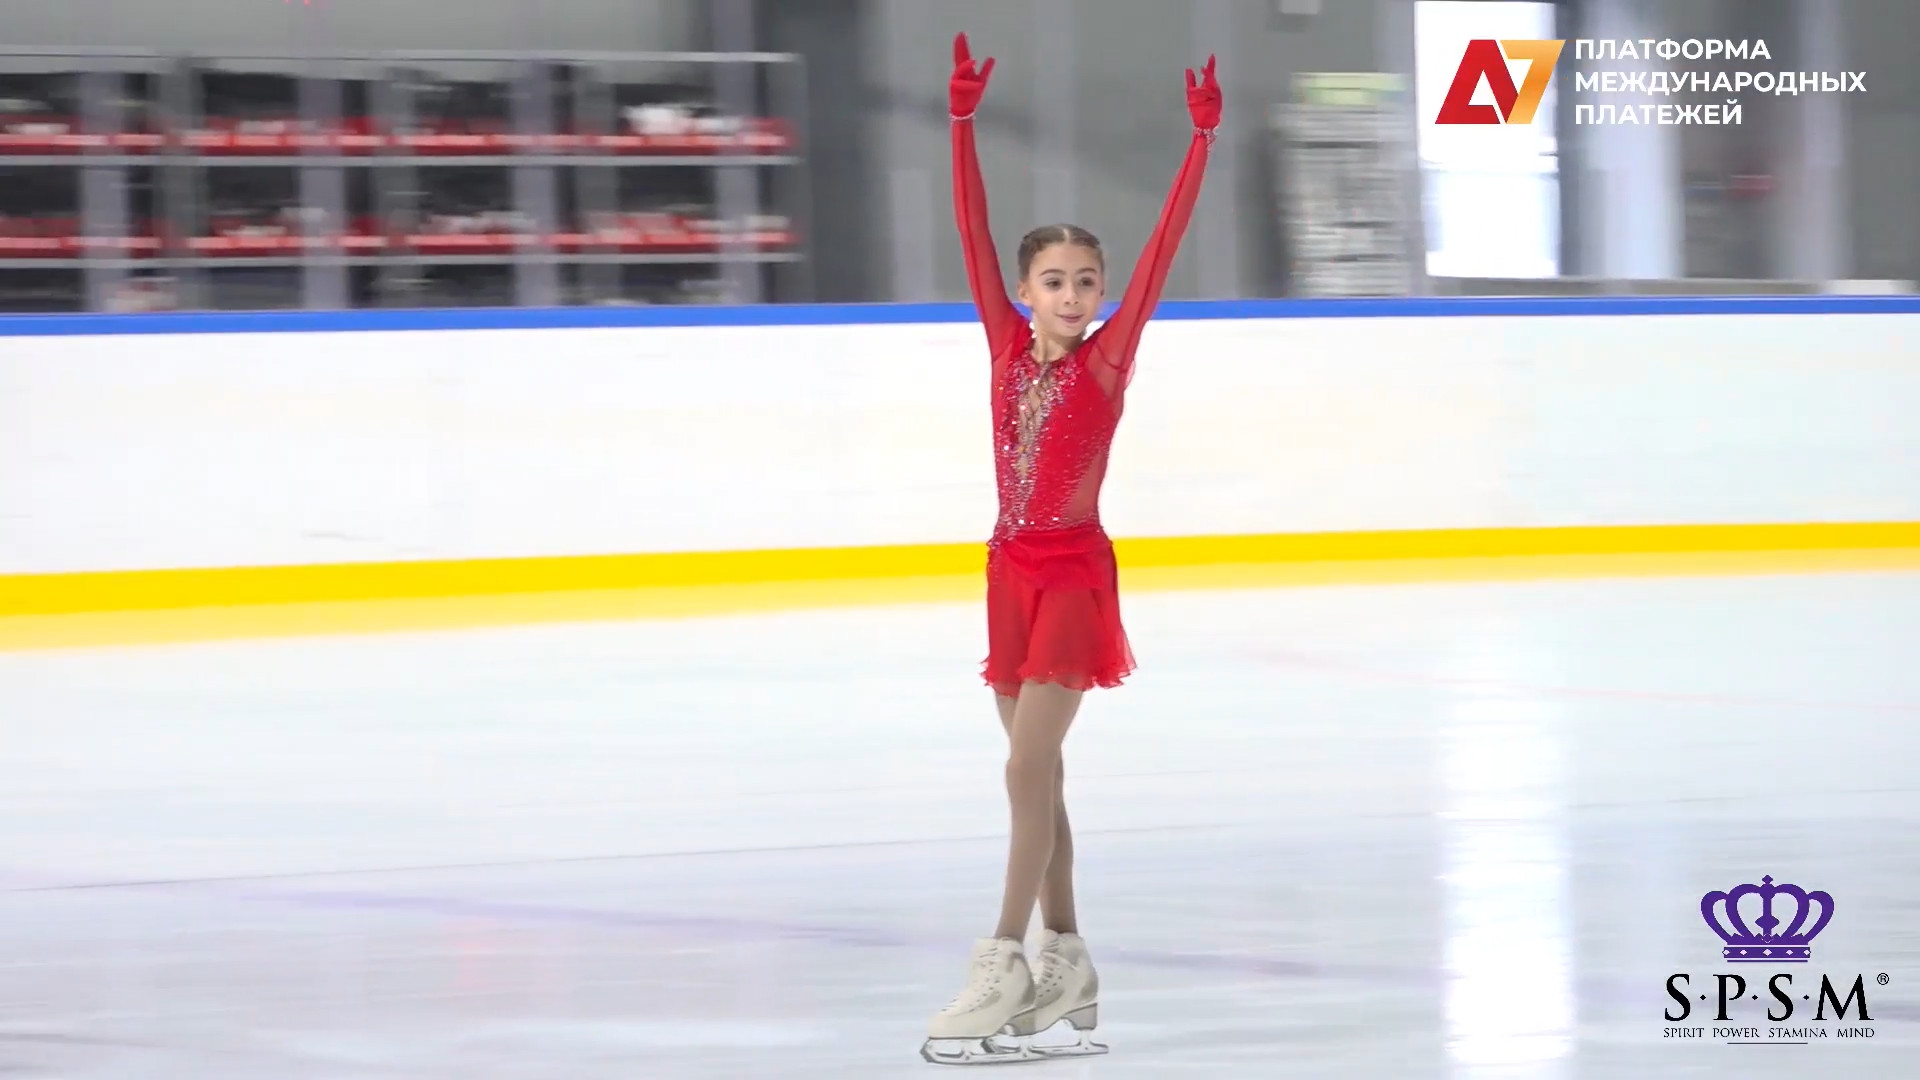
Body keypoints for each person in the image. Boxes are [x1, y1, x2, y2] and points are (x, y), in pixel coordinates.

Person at [920, 32, 1221, 1066]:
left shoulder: (1107, 364)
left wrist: (1200, 144)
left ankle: (1003, 956)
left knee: (1027, 764)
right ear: (1025, 288)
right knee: (1039, 778)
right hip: (1008, 571)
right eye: (1055, 280)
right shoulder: (1004, 347)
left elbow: (1166, 249)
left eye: (1087, 281)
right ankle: (1071, 959)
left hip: (1074, 577)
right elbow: (969, 226)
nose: (1074, 295)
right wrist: (961, 122)